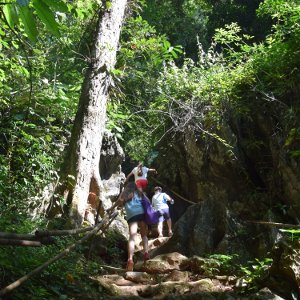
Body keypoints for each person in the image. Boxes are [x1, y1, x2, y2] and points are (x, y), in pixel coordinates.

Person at [119, 182, 150, 271]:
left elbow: (120, 202)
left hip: (131, 214)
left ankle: (130, 259)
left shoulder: (124, 193)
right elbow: (147, 201)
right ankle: (146, 252)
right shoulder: (139, 193)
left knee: (132, 237)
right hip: (141, 213)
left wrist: (112, 208)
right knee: (144, 235)